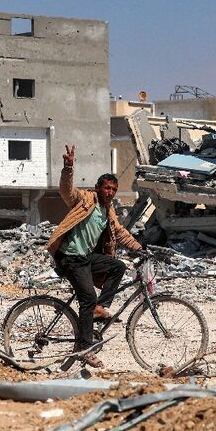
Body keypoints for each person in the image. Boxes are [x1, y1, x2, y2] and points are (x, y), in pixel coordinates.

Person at [46, 144, 143, 368]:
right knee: (87, 299)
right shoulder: (86, 200)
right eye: (107, 188)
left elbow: (120, 233)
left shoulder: (108, 211)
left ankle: (101, 308)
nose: (110, 192)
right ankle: (84, 349)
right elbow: (67, 192)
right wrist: (68, 168)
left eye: (114, 189)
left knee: (117, 267)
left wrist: (140, 249)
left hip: (86, 258)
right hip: (70, 257)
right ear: (97, 187)